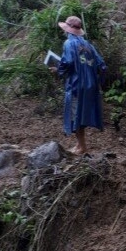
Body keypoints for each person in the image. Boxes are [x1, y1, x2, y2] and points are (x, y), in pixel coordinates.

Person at [52, 16, 107, 155]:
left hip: (77, 85)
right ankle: (79, 144)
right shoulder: (88, 45)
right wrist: (98, 81)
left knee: (75, 114)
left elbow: (68, 62)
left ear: (68, 30)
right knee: (81, 113)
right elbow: (102, 65)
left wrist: (58, 69)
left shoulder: (68, 44)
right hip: (90, 85)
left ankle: (82, 147)